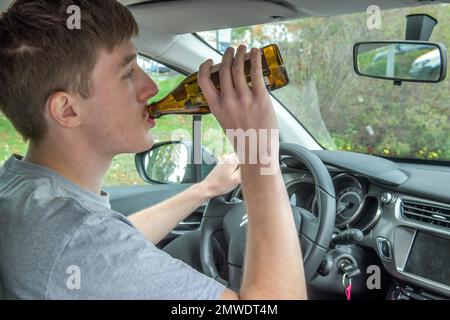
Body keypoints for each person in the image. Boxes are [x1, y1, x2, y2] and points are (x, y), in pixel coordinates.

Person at [0, 0, 307, 299]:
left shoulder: (22, 189)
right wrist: (258, 153)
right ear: (67, 110)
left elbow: (115, 248)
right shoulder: (80, 238)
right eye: (128, 73)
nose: (152, 87)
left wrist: (205, 189)